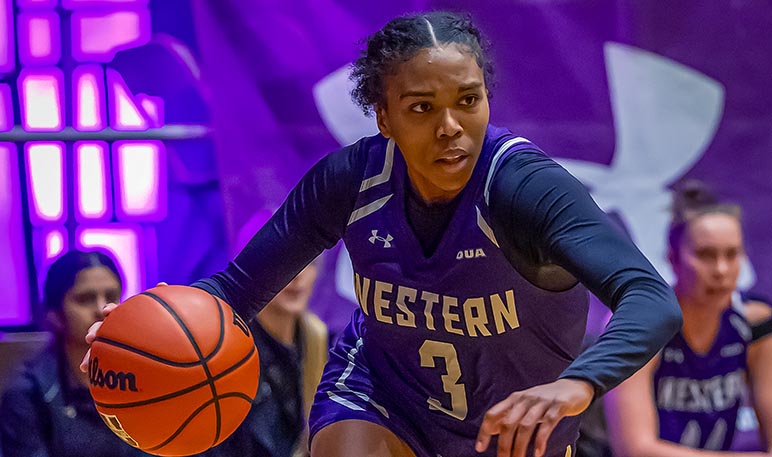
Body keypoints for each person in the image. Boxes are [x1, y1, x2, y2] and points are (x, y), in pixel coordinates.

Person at [84, 11, 682, 457]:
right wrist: (136, 334)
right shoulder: (351, 180)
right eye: (422, 108)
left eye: (468, 101)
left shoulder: (526, 188)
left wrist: (577, 385)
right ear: (383, 116)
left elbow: (650, 298)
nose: (451, 127)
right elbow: (234, 293)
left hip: (515, 426)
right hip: (382, 393)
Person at [604, 181, 772, 456]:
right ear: (673, 258)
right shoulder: (641, 322)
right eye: (706, 255)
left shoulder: (755, 323)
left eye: (732, 255)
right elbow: (633, 449)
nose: (721, 270)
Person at [0, 250, 154, 457]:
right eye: (85, 299)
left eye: (112, 296)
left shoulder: (149, 373)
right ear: (54, 314)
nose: (102, 309)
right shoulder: (28, 393)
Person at [203, 260, 328, 457]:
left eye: (309, 263)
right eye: (284, 261)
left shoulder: (322, 344)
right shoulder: (225, 353)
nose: (297, 275)